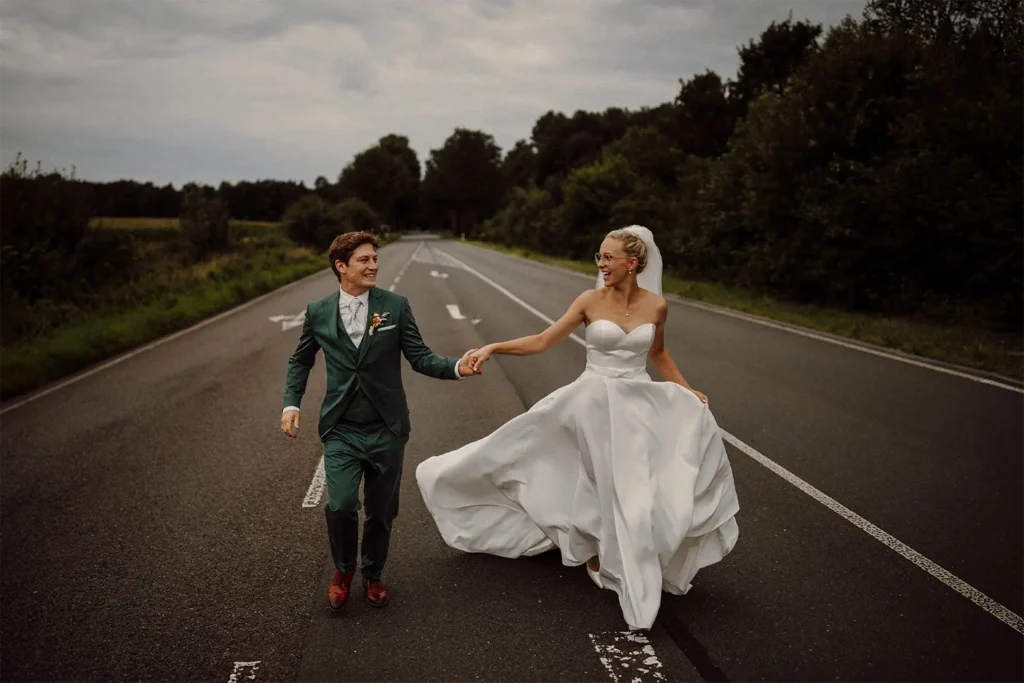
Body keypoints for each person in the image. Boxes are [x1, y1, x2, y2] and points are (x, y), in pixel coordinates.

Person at [415, 225, 739, 631]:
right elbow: (543, 340)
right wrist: (494, 347)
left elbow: (657, 353)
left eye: (608, 257)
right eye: (598, 257)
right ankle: (599, 549)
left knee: (635, 488)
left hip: (638, 405)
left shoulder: (656, 306)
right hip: (590, 403)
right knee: (594, 477)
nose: (601, 264)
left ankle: (627, 555)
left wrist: (688, 390)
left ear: (632, 263)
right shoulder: (588, 300)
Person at [281, 231, 479, 612]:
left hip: (387, 428)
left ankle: (373, 573)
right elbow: (300, 360)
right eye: (364, 260)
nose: (373, 266)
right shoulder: (318, 311)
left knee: (381, 510)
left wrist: (457, 366)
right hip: (341, 428)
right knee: (340, 505)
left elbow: (420, 357)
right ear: (341, 266)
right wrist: (291, 404)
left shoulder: (395, 306)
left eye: (375, 259)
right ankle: (343, 571)